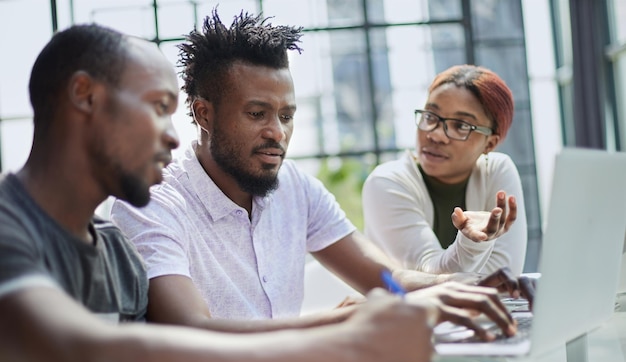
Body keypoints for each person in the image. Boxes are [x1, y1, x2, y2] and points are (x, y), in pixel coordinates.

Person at [0, 23, 518, 362]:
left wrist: (446, 292)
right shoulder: (17, 230)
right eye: (158, 107)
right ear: (85, 97)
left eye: (286, 116)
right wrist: (353, 336)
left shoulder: (111, 254)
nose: (172, 135)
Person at [110, 10, 520, 337]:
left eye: (286, 115)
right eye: (257, 114)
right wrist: (340, 322)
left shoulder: (297, 189)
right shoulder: (153, 201)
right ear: (204, 113)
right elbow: (194, 332)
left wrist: (475, 288)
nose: (277, 132)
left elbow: (389, 279)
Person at [362, 65, 528, 277]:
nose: (436, 135)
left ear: (490, 144)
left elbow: (503, 279)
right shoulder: (386, 182)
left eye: (460, 125)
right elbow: (431, 275)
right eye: (430, 117)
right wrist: (471, 242)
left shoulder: (496, 172)